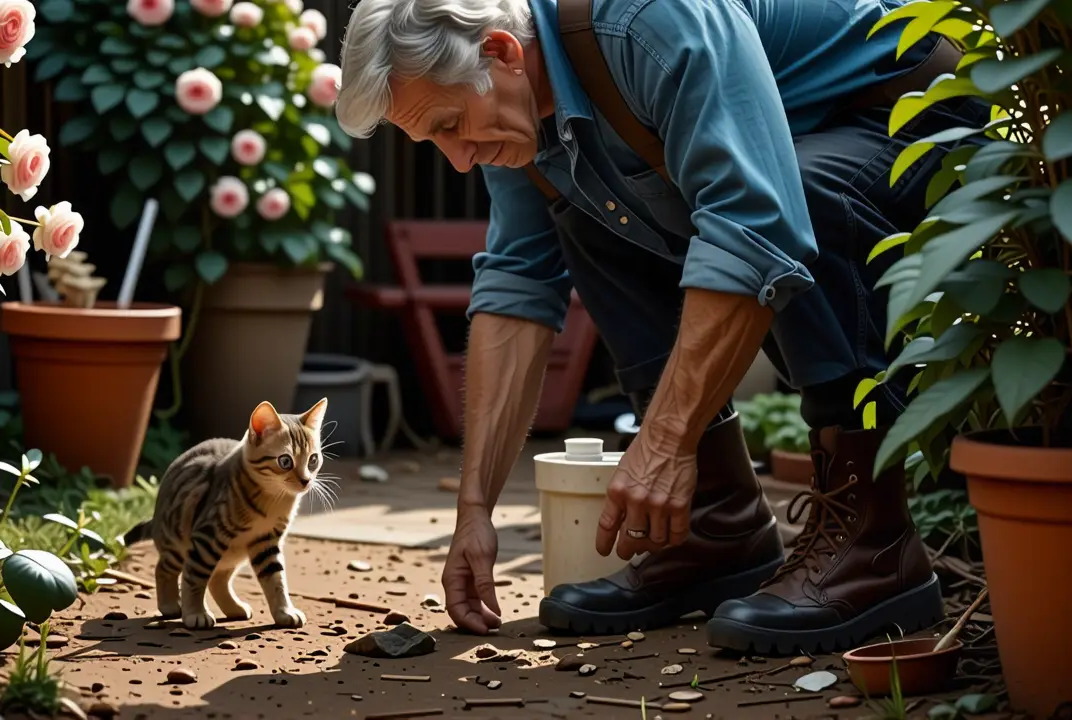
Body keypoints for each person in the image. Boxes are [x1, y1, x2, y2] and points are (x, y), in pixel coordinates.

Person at [335, 0, 986, 654]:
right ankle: (716, 525)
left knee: (803, 193)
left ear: (501, 52)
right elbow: (516, 285)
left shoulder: (645, 18)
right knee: (588, 212)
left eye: (451, 125)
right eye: (435, 140)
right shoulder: (518, 121)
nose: (458, 159)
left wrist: (665, 441)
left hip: (915, 119)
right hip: (794, 149)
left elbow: (757, 223)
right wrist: (474, 507)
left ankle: (874, 545)